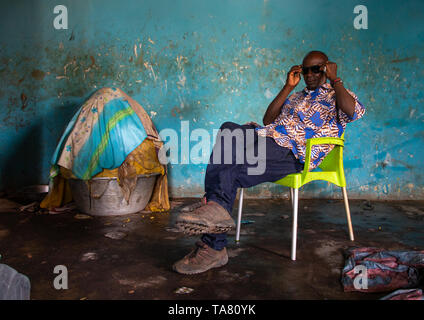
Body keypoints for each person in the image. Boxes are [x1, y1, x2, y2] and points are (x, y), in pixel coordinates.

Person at [173, 50, 365, 274]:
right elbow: (268, 120)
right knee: (228, 131)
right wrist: (288, 87)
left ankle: (213, 246)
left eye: (316, 69)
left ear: (326, 68)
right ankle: (215, 211)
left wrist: (336, 80)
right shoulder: (297, 96)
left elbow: (352, 112)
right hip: (268, 137)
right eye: (305, 70)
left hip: (292, 151)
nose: (310, 75)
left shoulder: (337, 94)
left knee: (231, 169)